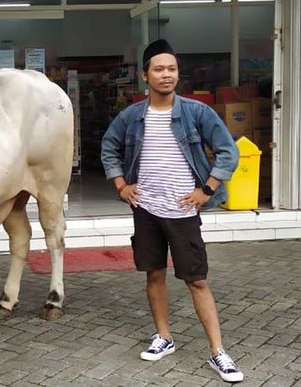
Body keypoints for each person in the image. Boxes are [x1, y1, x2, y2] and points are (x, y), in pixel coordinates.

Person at [100, 39, 244, 383]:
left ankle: (218, 352)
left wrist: (206, 189)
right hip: (146, 209)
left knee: (197, 280)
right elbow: (109, 147)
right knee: (153, 274)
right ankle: (164, 337)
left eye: (172, 69)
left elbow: (228, 152)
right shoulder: (132, 116)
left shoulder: (197, 113)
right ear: (145, 76)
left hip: (182, 212)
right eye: (159, 69)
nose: (167, 75)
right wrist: (121, 185)